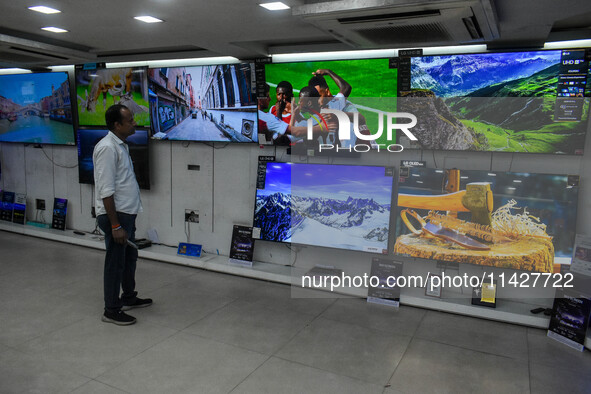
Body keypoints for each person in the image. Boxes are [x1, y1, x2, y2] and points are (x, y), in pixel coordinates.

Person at [94, 104, 152, 325]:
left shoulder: (120, 145)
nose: (134, 123)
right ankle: (111, 309)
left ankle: (128, 296)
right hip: (115, 216)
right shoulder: (107, 148)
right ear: (117, 125)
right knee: (115, 262)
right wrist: (115, 225)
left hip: (126, 213)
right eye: (129, 120)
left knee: (129, 258)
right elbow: (106, 190)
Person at [309, 69, 375, 148]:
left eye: (319, 96)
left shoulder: (337, 103)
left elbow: (346, 87)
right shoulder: (321, 108)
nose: (317, 101)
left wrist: (328, 72)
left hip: (365, 150)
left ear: (327, 92)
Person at [258, 83, 335, 145]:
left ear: (309, 103)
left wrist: (294, 115)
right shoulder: (324, 114)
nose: (298, 103)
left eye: (300, 101)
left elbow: (283, 139)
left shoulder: (310, 122)